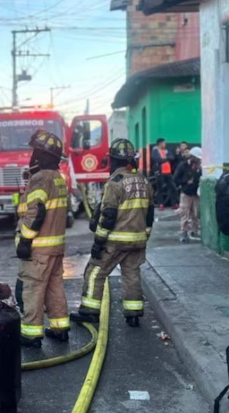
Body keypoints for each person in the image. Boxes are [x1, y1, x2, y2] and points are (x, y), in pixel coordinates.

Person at [70, 138, 155, 328]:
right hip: (138, 240)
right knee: (131, 274)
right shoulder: (144, 181)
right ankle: (133, 313)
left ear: (115, 160)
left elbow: (108, 215)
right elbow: (150, 214)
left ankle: (89, 311)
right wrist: (145, 235)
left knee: (95, 272)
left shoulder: (115, 183)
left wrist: (98, 242)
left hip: (116, 241)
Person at [15, 129, 70, 348]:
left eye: (35, 152)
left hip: (38, 249)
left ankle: (31, 334)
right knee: (55, 287)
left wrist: (25, 240)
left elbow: (36, 213)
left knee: (33, 289)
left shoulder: (40, 179)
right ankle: (60, 328)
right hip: (56, 247)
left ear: (41, 155)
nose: (32, 157)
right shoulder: (58, 179)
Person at [173, 146, 202, 243]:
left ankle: (195, 231)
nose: (198, 160)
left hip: (196, 193)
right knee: (185, 213)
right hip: (186, 193)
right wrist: (186, 182)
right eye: (197, 158)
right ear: (192, 157)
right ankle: (184, 232)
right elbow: (175, 179)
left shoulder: (199, 167)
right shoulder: (183, 166)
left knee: (195, 213)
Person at [151, 138, 177, 208]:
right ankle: (161, 204)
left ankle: (174, 203)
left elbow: (172, 157)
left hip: (168, 172)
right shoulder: (155, 151)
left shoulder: (166, 150)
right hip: (160, 172)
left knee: (172, 188)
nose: (165, 144)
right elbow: (157, 159)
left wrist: (164, 159)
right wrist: (166, 159)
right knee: (160, 189)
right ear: (160, 143)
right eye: (164, 143)